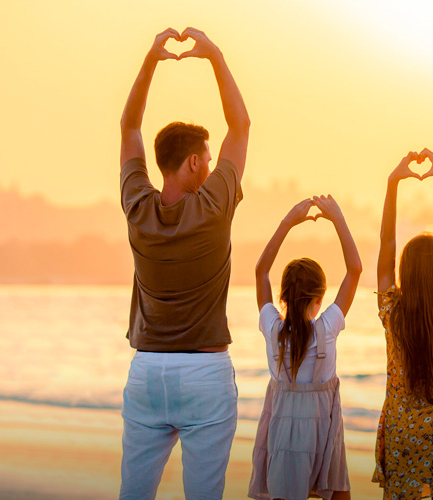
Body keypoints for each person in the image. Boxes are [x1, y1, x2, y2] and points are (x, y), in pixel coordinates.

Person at [118, 27, 250, 500]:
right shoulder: (213, 208)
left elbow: (129, 129)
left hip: (148, 371)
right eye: (208, 160)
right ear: (194, 163)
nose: (214, 167)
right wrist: (214, 54)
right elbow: (241, 126)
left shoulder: (137, 205)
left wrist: (151, 60)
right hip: (204, 374)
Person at [373, 149, 433, 499]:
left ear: (406, 273)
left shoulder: (393, 312)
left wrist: (392, 183)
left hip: (403, 440)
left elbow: (386, 242)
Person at [249, 195, 361, 500]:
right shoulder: (326, 329)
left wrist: (287, 223)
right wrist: (337, 217)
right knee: (338, 494)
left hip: (284, 435)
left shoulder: (273, 329)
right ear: (320, 297)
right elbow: (355, 270)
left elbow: (260, 272)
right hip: (323, 435)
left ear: (282, 296)